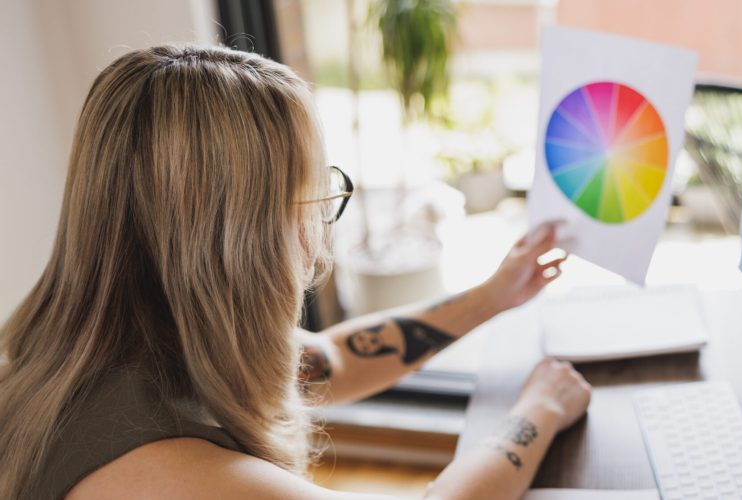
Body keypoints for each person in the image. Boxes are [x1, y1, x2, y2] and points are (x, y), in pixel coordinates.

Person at [0, 44, 591, 500]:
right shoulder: (158, 469)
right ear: (240, 235)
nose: (320, 225)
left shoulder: (121, 339)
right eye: (312, 195)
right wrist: (537, 411)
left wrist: (491, 296)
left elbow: (332, 360)